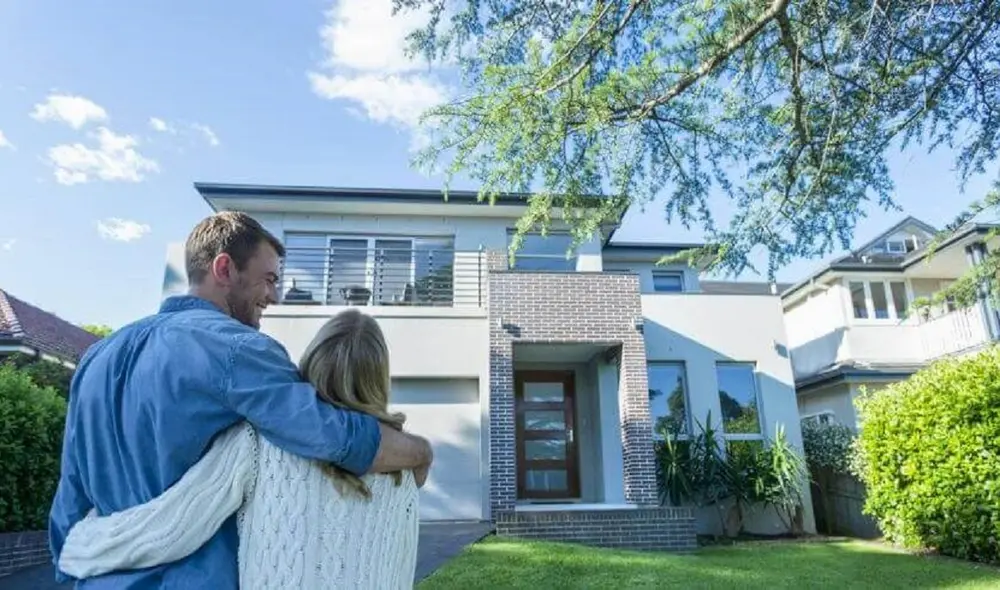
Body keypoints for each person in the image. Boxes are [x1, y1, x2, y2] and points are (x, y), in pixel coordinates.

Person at [49, 212, 433, 589]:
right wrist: (418, 451)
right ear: (224, 269)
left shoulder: (96, 359)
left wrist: (69, 574)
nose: (274, 295)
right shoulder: (239, 350)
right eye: (267, 280)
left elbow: (70, 497)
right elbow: (329, 433)